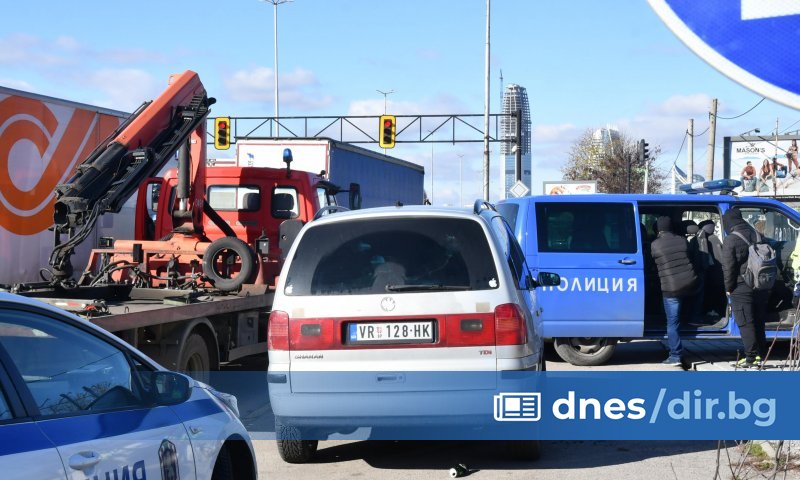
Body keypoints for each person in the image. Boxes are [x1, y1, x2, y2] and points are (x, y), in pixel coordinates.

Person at [721, 208, 769, 368]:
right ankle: (761, 354)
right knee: (758, 321)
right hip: (760, 285)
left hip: (741, 286)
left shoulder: (731, 240)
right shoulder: (757, 234)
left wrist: (728, 287)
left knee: (745, 322)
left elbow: (728, 267)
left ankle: (751, 358)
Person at [650, 216, 699, 365]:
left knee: (672, 322)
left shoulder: (655, 245)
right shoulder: (682, 240)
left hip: (671, 288)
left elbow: (654, 261)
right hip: (690, 283)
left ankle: (675, 356)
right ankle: (694, 318)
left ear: (658, 229)